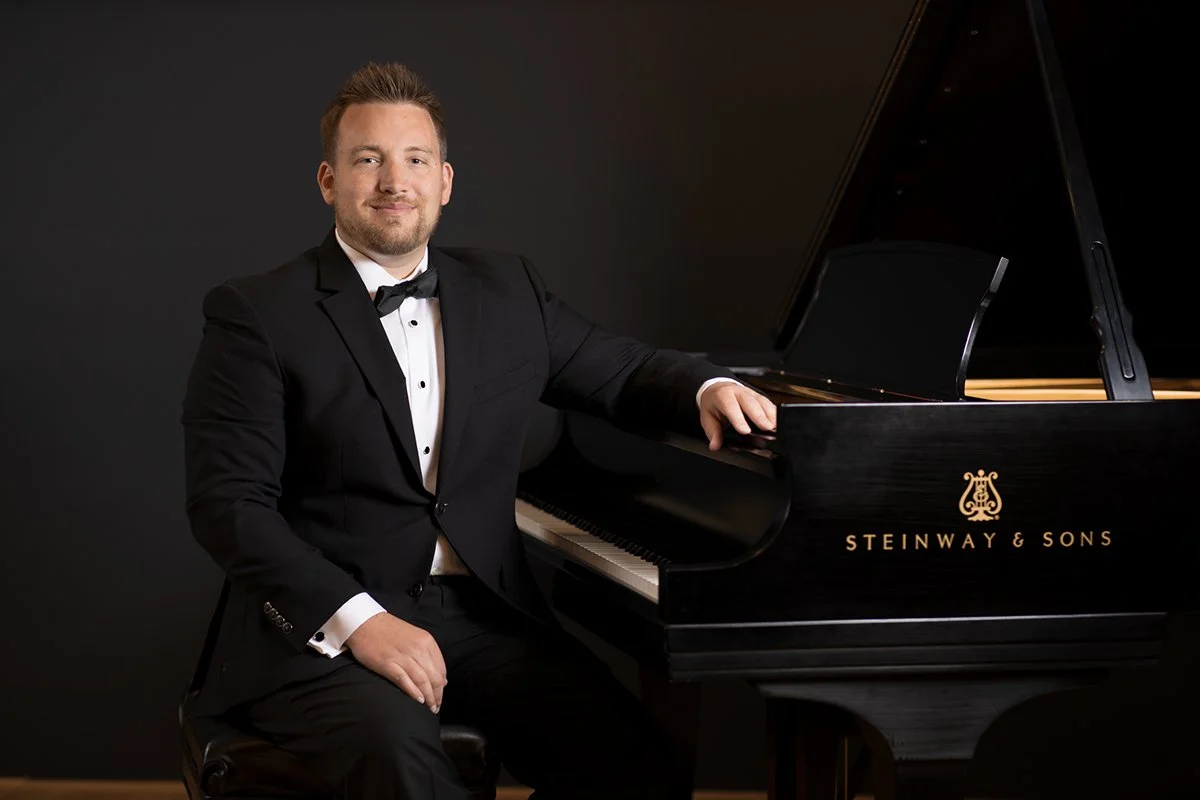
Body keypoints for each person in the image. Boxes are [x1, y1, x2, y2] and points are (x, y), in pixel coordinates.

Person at [182, 61, 777, 800]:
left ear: (445, 181)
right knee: (405, 762)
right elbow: (227, 504)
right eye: (369, 159)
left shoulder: (507, 289)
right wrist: (362, 621)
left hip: (483, 617)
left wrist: (708, 385)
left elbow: (617, 370)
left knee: (636, 768)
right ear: (329, 181)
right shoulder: (258, 313)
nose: (395, 180)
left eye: (416, 160)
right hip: (331, 624)